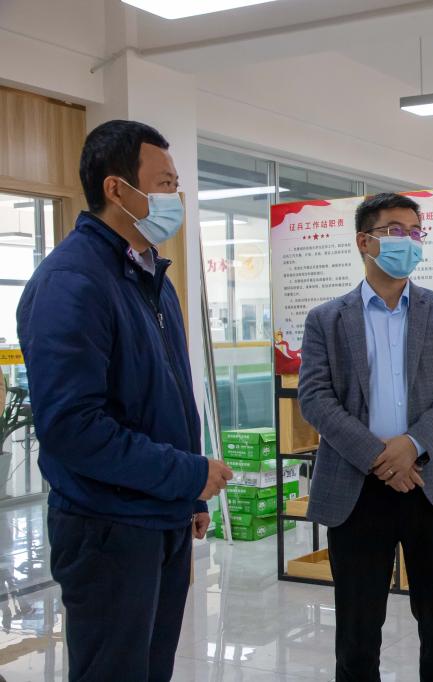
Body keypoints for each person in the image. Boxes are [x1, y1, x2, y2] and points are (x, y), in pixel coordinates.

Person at [16, 120, 233, 681]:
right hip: (107, 528)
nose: (174, 198)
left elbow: (165, 396)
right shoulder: (73, 281)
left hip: (158, 513)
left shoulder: (150, 276)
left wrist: (189, 496)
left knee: (151, 668)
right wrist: (188, 474)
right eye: (164, 184)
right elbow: (74, 428)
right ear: (116, 189)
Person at [298, 193, 433, 682]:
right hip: (356, 490)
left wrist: (412, 445)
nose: (409, 241)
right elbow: (314, 398)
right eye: (396, 230)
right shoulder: (326, 319)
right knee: (357, 630)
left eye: (416, 232)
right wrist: (381, 457)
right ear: (365, 241)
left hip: (431, 484)